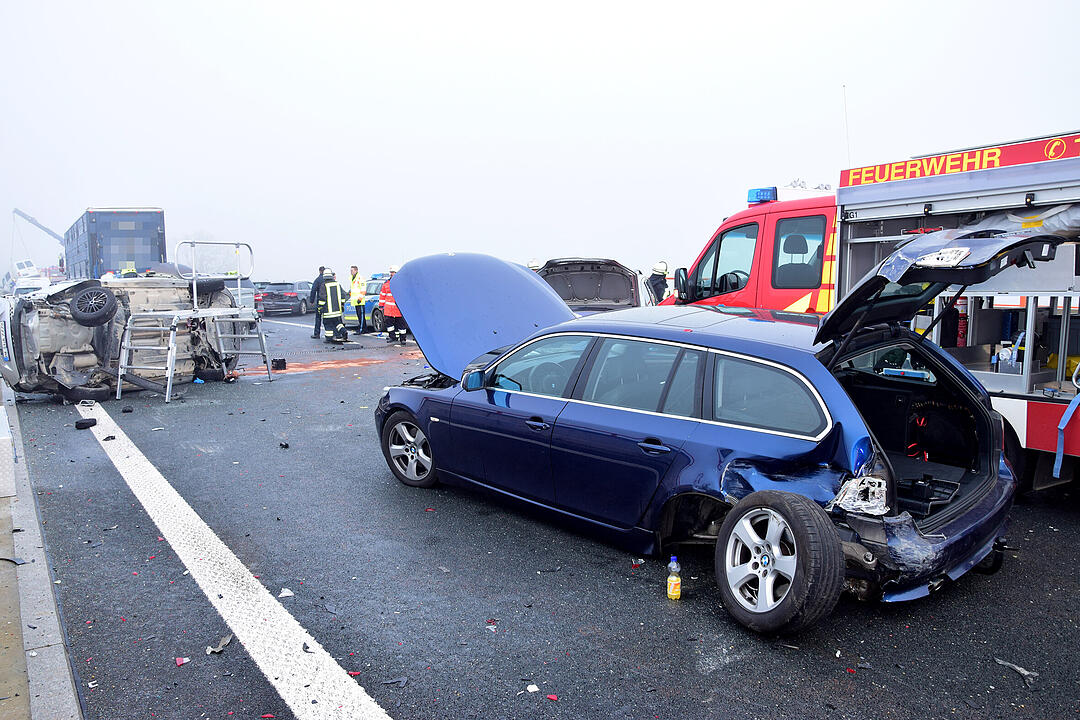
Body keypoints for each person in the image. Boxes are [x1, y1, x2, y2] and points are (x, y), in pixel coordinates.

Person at [379, 265, 407, 345]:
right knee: (389, 324)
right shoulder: (386, 284)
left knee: (401, 324)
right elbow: (382, 295)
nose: (391, 274)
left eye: (393, 272)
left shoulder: (402, 284)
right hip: (389, 308)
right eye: (391, 272)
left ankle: (403, 339)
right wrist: (381, 305)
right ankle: (392, 337)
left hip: (398, 308)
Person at [318, 268, 347, 343]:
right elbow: (343, 295)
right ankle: (343, 331)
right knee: (337, 323)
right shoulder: (337, 284)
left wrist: (320, 308)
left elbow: (322, 299)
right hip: (337, 311)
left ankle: (329, 338)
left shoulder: (324, 285)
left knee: (327, 324)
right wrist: (342, 305)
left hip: (328, 312)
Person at [308, 265, 326, 338]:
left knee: (318, 318)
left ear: (319, 271)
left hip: (320, 302)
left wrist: (311, 300)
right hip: (328, 302)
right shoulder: (328, 279)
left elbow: (313, 291)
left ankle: (317, 333)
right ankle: (332, 333)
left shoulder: (317, 280)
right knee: (328, 318)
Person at [349, 265, 366, 334]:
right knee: (359, 316)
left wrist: (360, 298)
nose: (351, 272)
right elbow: (353, 290)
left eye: (352, 270)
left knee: (361, 316)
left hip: (360, 301)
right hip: (355, 301)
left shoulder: (360, 278)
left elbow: (363, 289)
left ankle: (362, 329)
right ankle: (362, 328)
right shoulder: (352, 278)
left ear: (356, 270)